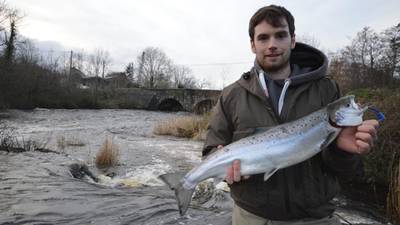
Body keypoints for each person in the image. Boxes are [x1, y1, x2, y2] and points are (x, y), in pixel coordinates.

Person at [202, 5, 379, 225]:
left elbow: (346, 171)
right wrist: (223, 165)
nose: (272, 44)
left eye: (280, 35)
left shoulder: (326, 90)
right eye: (264, 38)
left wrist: (344, 153)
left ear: (292, 40)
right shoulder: (231, 95)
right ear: (252, 45)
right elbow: (211, 147)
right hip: (251, 217)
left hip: (317, 218)